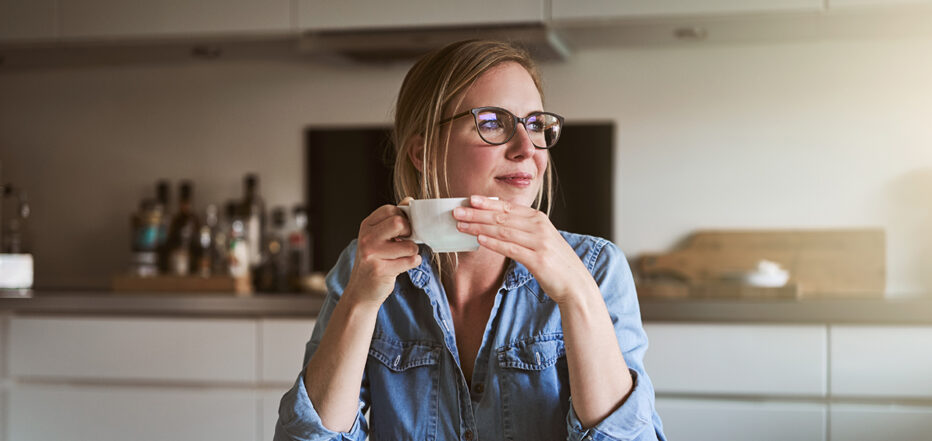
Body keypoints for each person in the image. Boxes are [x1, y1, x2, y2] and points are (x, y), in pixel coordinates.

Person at [274, 39, 666, 441]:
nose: (527, 148)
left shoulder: (597, 267)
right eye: (493, 122)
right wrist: (360, 301)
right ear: (423, 153)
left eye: (535, 124)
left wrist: (577, 293)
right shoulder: (367, 267)